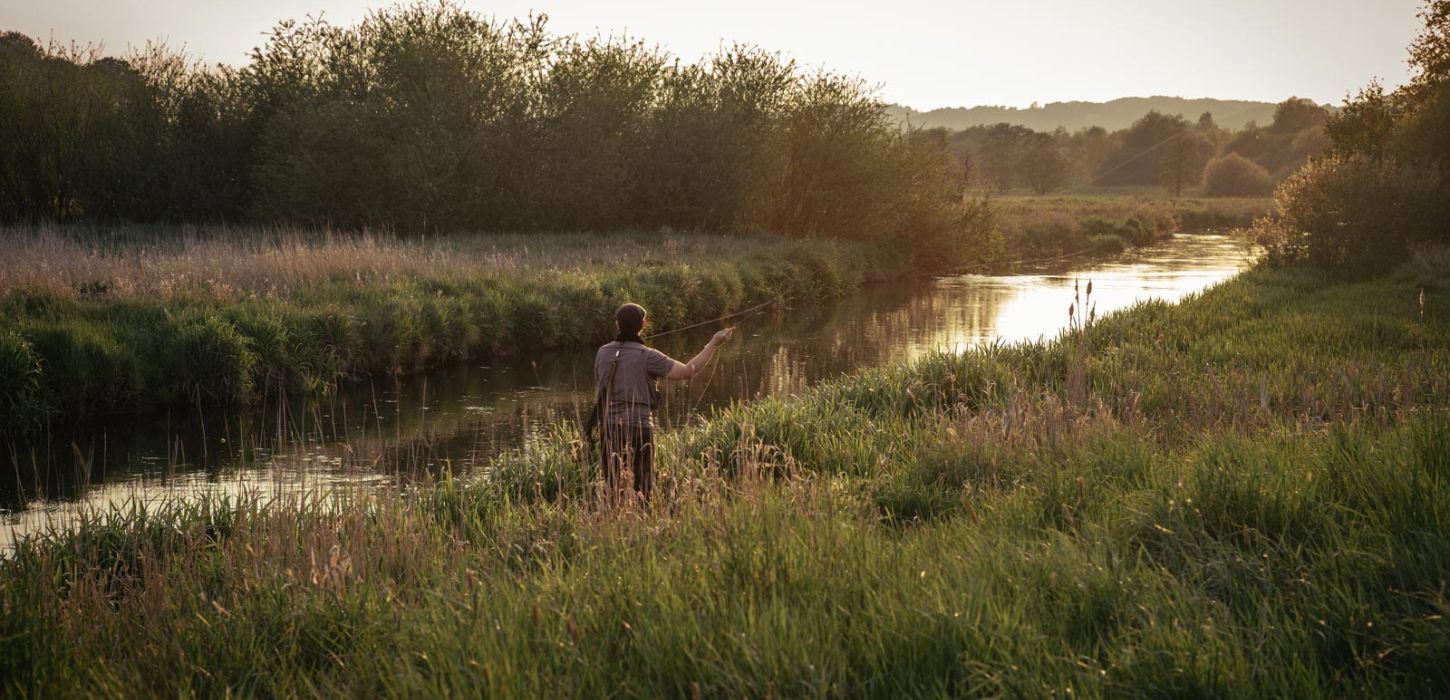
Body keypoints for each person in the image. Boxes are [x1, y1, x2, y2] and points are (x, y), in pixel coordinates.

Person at [593, 302, 733, 502]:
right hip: (639, 429)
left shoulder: (602, 352)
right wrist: (713, 344)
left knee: (613, 488)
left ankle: (615, 524)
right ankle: (640, 526)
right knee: (643, 490)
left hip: (609, 428)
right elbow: (687, 371)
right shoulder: (648, 356)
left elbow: (599, 386)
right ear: (643, 324)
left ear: (617, 324)